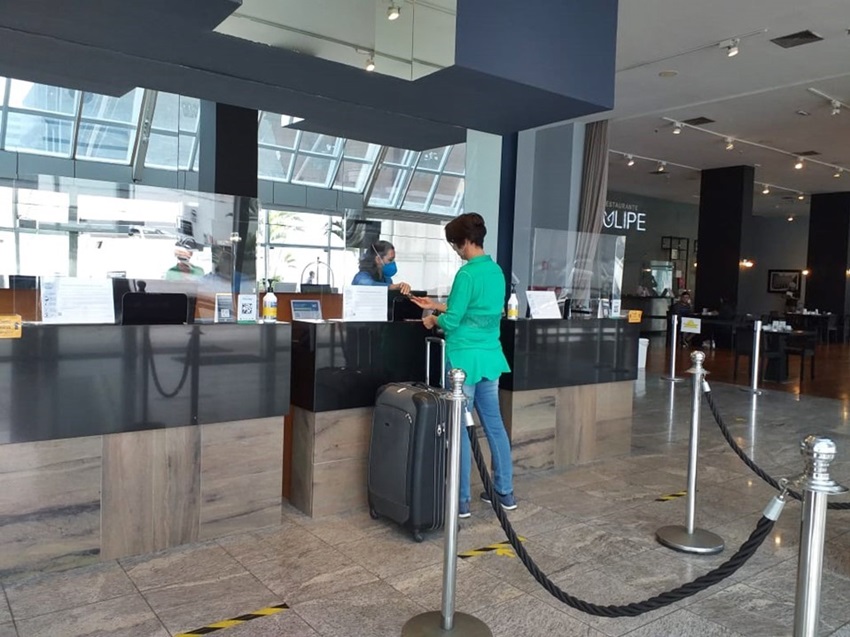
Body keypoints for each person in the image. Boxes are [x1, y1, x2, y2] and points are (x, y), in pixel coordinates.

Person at [413, 213, 516, 518]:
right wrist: (437, 305)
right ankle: (505, 491)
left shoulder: (466, 274)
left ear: (465, 242)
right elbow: (479, 310)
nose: (456, 250)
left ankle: (460, 500)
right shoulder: (496, 271)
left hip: (462, 361)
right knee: (494, 425)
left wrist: (433, 319)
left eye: (455, 244)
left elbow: (453, 320)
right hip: (490, 357)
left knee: (458, 429)